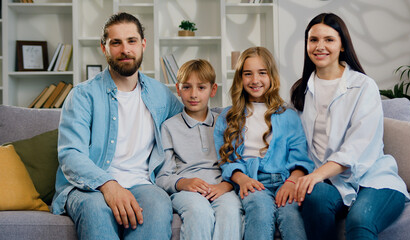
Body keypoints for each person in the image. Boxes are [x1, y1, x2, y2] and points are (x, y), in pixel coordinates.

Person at [52, 12, 183, 240]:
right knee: (96, 208)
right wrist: (108, 185)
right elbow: (71, 155)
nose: (125, 50)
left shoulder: (162, 95)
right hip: (88, 187)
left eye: (131, 41)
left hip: (143, 183)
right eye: (116, 43)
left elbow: (188, 128)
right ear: (104, 48)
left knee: (158, 204)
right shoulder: (82, 96)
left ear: (143, 45)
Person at [290, 13, 410, 240]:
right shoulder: (300, 91)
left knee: (360, 220)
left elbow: (357, 146)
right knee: (314, 197)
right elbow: (297, 144)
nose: (320, 46)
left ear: (342, 44)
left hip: (372, 178)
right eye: (313, 39)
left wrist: (315, 175)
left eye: (329, 39)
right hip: (329, 183)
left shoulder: (364, 86)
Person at [214, 46, 314, 240]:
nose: (255, 80)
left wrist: (292, 182)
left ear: (271, 77)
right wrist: (242, 179)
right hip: (251, 181)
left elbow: (300, 158)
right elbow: (225, 159)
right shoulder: (227, 117)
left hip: (285, 180)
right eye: (247, 74)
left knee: (291, 214)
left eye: (262, 73)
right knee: (259, 208)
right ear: (240, 78)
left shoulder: (288, 116)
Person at [156, 59, 243, 240]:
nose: (193, 94)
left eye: (201, 88)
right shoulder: (168, 127)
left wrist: (225, 186)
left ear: (212, 90)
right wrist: (183, 183)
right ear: (178, 89)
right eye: (187, 87)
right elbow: (162, 176)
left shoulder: (225, 122)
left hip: (222, 188)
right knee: (198, 211)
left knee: (231, 210)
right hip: (187, 192)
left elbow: (238, 164)